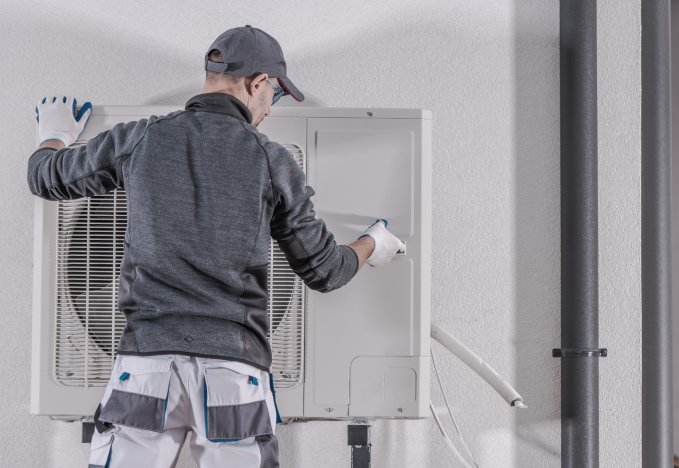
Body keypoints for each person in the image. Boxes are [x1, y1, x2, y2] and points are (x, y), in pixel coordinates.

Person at [27, 25, 405, 468]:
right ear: (258, 83)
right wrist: (371, 243)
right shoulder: (271, 160)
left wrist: (53, 136)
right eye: (276, 95)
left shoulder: (140, 139)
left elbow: (45, 177)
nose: (269, 108)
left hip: (145, 367)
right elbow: (325, 270)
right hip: (234, 372)